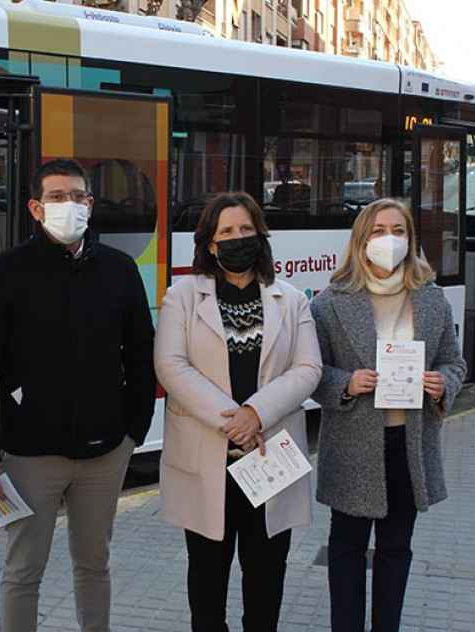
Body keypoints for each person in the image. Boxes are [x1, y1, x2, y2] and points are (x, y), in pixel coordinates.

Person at [0, 158, 157, 632]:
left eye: (78, 197)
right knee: (23, 570)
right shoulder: (2, 273)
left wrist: (133, 432)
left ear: (91, 205)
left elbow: (140, 354)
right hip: (31, 453)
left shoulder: (119, 269)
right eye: (56, 196)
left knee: (94, 563)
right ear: (35, 207)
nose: (69, 205)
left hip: (106, 451)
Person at [155, 192, 322, 632]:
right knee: (207, 585)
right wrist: (233, 419)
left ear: (260, 236)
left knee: (266, 582)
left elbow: (308, 368)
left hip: (270, 460)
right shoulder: (183, 297)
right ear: (210, 243)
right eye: (226, 231)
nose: (237, 238)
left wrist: (257, 414)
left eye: (246, 229)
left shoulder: (290, 298)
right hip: (206, 457)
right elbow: (170, 366)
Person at [309, 198, 467, 632]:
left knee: (396, 548)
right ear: (361, 240)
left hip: (408, 446)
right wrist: (344, 382)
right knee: (346, 549)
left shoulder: (431, 300)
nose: (390, 240)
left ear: (411, 239)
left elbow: (455, 362)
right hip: (354, 447)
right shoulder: (329, 303)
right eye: (378, 231)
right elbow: (309, 371)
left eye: (399, 230)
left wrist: (443, 383)